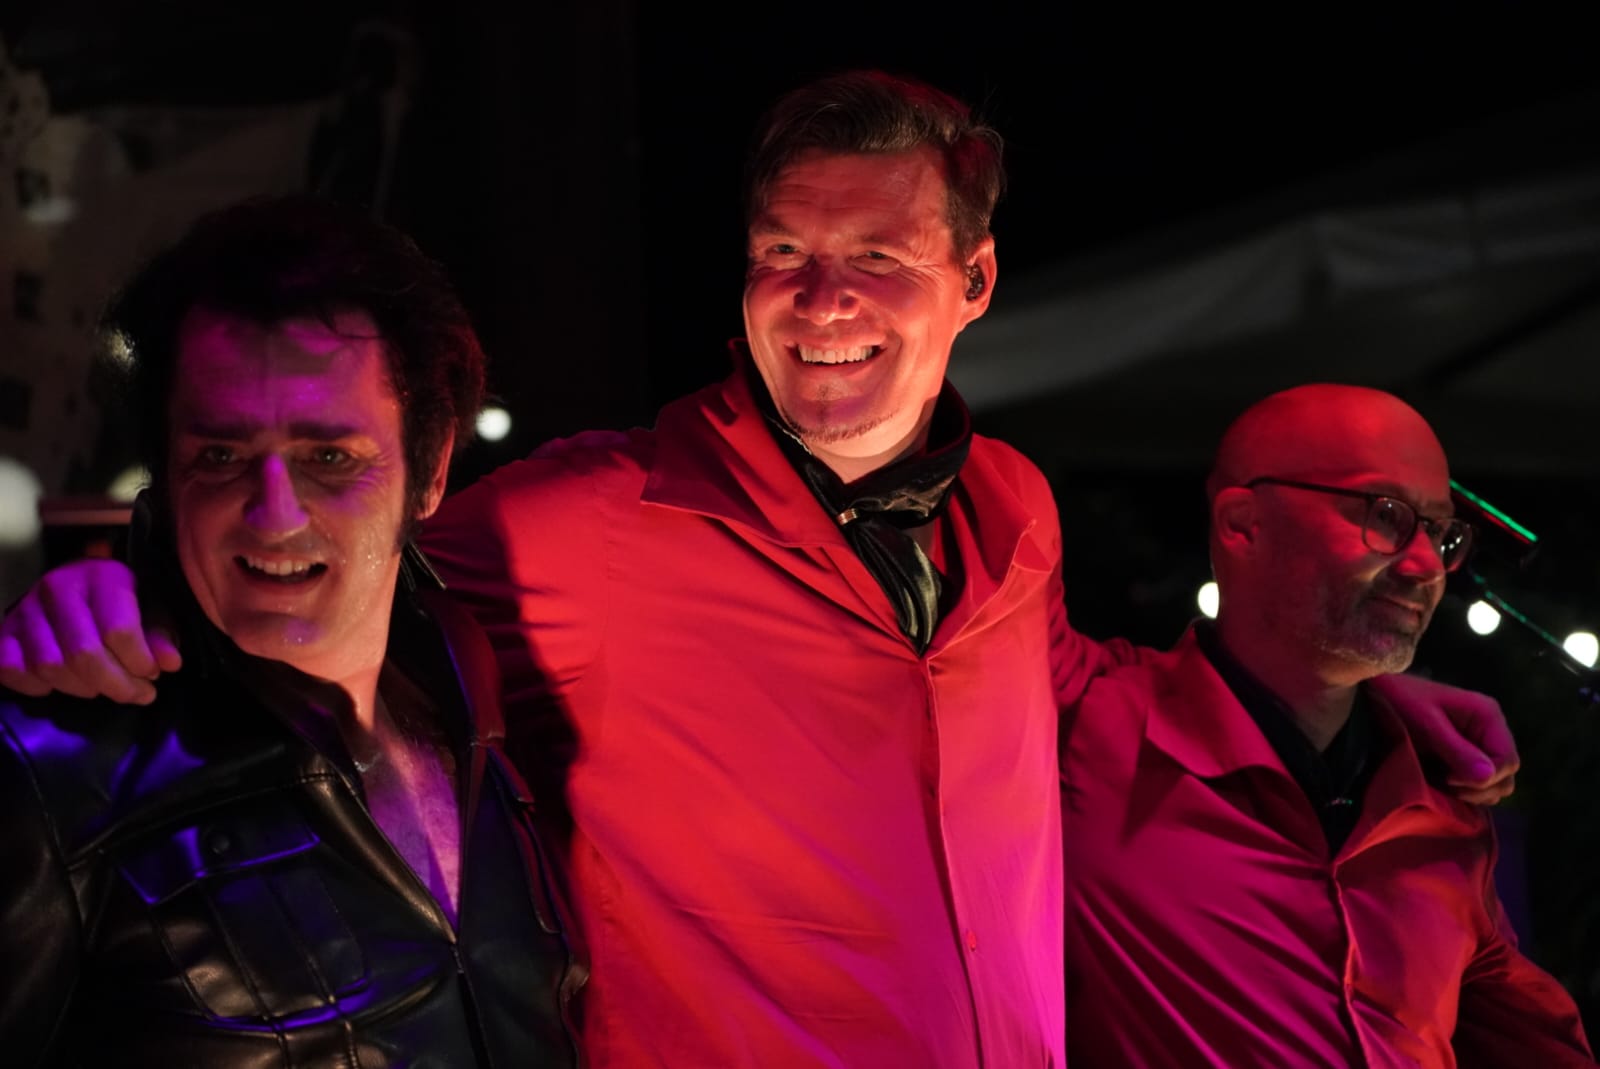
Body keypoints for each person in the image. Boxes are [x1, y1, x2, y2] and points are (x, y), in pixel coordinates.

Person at [0, 73, 1517, 1067]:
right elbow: (318, 549)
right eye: (784, 252)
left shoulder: (1016, 510)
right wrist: (120, 592)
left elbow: (1084, 697)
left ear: (974, 280)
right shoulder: (584, 520)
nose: (822, 298)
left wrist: (1354, 700)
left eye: (879, 259)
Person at [0, 196, 581, 1066]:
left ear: (429, 475)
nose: (274, 514)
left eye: (329, 457)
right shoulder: (53, 766)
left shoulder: (472, 685)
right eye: (221, 455)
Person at [1060, 384, 1592, 1068]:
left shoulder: (1442, 808)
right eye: (1386, 514)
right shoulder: (1089, 719)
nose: (1428, 566)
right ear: (1243, 523)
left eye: (1441, 533)